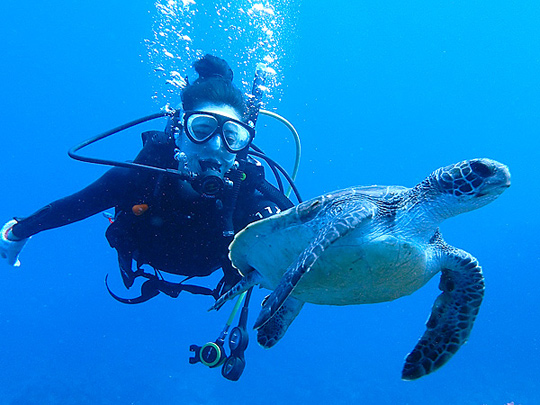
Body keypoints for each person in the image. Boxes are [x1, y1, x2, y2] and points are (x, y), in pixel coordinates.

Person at [0, 54, 293, 303]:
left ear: (241, 147)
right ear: (179, 133)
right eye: (202, 130)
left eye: (232, 137)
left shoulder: (252, 197)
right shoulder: (138, 179)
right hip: (142, 254)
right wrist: (16, 233)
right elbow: (75, 206)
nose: (216, 147)